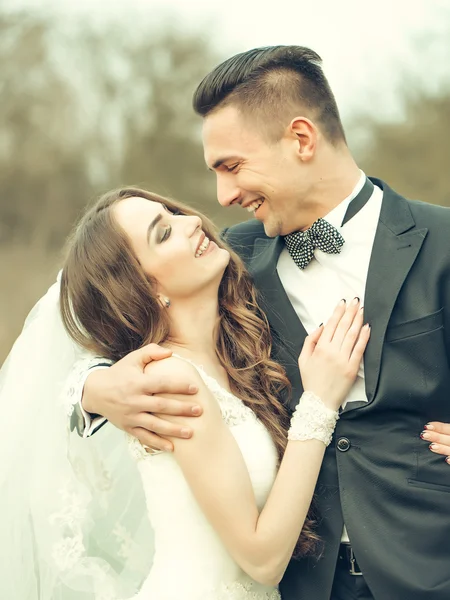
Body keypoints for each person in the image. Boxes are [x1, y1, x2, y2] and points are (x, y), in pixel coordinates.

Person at [73, 46, 450, 600]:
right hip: (300, 583)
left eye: (232, 166)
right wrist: (94, 389)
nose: (222, 196)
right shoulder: (228, 260)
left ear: (301, 139)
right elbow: (107, 323)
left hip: (428, 571)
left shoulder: (442, 241)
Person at [0, 186, 370, 599]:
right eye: (163, 233)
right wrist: (320, 401)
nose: (192, 222)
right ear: (142, 288)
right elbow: (263, 559)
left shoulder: (229, 353)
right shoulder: (170, 382)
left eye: (173, 214)